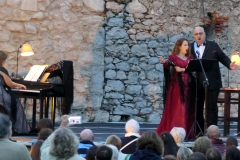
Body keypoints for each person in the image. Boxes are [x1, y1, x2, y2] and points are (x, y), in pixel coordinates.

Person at [191, 26, 238, 134]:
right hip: (196, 83)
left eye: (201, 33)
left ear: (205, 34)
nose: (199, 36)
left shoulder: (213, 45)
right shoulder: (190, 47)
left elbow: (222, 57)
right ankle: (199, 132)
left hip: (212, 82)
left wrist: (229, 64)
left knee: (211, 108)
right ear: (194, 36)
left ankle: (213, 133)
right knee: (197, 108)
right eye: (196, 34)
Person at [156, 38, 195, 139]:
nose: (187, 47)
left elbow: (193, 70)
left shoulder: (190, 58)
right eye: (185, 45)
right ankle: (175, 134)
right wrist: (165, 63)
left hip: (188, 87)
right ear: (179, 46)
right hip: (177, 88)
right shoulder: (173, 57)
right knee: (178, 110)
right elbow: (169, 67)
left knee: (186, 109)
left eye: (188, 45)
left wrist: (184, 70)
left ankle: (185, 132)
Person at [0, 50, 29, 133]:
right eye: (4, 59)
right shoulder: (2, 69)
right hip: (1, 94)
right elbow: (10, 84)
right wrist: (19, 85)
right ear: (1, 60)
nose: (5, 61)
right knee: (16, 104)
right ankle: (14, 129)